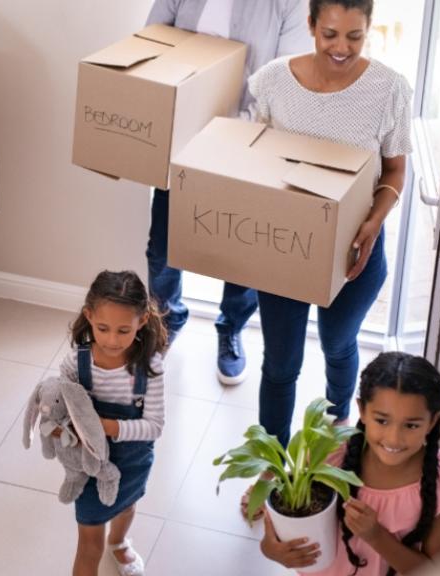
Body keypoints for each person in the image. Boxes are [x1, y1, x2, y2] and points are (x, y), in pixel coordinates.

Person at [248, 0, 412, 447]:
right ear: (310, 26)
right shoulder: (274, 80)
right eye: (330, 34)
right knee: (280, 363)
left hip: (357, 250)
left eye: (354, 37)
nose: (341, 48)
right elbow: (256, 157)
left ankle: (338, 429)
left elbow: (395, 170)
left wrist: (374, 222)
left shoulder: (389, 88)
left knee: (338, 342)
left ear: (369, 30)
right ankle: (270, 466)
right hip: (285, 247)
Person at [145, 0, 311, 385]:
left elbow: (289, 81)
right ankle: (165, 322)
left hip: (247, 141)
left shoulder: (287, 5)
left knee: (241, 252)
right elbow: (151, 44)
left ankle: (230, 329)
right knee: (163, 248)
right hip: (181, 137)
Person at [261, 352, 440, 575]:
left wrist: (376, 537)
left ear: (433, 421)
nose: (393, 438)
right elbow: (278, 531)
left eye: (411, 426)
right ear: (362, 410)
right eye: (381, 420)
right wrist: (271, 549)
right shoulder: (328, 456)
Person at [56, 270, 168, 576]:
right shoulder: (74, 364)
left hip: (133, 462)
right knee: (89, 546)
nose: (111, 340)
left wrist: (108, 427)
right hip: (89, 466)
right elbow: (59, 409)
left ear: (142, 322)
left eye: (123, 330)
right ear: (89, 316)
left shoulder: (150, 367)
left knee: (127, 505)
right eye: (103, 328)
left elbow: (155, 426)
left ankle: (118, 543)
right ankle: (106, 544)